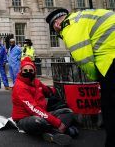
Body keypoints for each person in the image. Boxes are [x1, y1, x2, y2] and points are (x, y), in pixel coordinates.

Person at [46, 8, 115, 147]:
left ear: (57, 24)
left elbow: (85, 60)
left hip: (110, 60)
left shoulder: (69, 28)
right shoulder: (80, 17)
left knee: (110, 108)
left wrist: (97, 78)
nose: (58, 33)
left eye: (55, 30)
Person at [12, 57, 78, 146]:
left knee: (68, 112)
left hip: (42, 113)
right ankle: (58, 130)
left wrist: (62, 90)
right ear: (21, 71)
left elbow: (49, 91)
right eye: (25, 70)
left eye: (31, 70)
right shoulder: (19, 87)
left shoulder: (36, 82)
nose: (28, 72)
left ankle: (51, 132)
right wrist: (57, 122)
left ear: (34, 71)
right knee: (38, 121)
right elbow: (33, 109)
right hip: (25, 118)